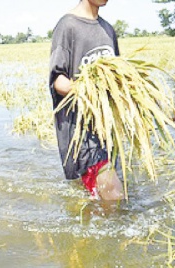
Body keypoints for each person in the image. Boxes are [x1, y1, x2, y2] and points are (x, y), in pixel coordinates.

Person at [49, 0, 124, 200]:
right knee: (114, 195)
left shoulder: (107, 29)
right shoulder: (68, 26)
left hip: (106, 131)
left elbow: (117, 77)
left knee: (99, 198)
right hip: (80, 132)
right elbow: (58, 81)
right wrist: (89, 89)